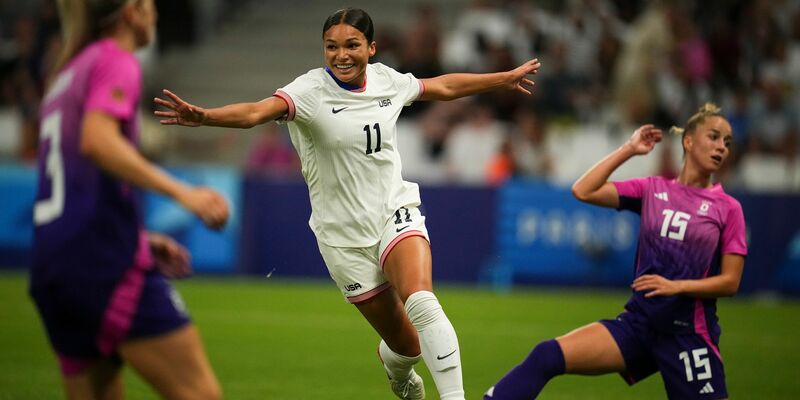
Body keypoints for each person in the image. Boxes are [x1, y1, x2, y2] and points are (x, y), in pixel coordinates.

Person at [154, 7, 540, 399]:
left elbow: (442, 86)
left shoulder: (387, 80)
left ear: (371, 47)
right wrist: (205, 116)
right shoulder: (308, 92)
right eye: (331, 46)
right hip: (343, 239)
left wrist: (502, 79)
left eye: (352, 45)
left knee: (423, 302)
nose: (341, 55)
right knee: (408, 347)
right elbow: (256, 112)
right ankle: (398, 370)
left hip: (394, 212)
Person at [30, 1, 229, 399]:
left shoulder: (68, 73)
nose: (156, 13)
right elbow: (97, 141)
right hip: (103, 264)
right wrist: (182, 192)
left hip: (54, 267)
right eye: (151, 5)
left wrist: (138, 239)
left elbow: (74, 184)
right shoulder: (115, 61)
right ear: (131, 13)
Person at [485, 103, 747, 400]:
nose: (721, 147)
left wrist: (676, 287)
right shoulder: (652, 189)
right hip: (639, 325)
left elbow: (730, 283)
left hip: (688, 335)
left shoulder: (728, 208)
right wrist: (629, 149)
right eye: (713, 137)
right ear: (688, 140)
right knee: (547, 355)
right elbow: (583, 190)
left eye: (727, 142)